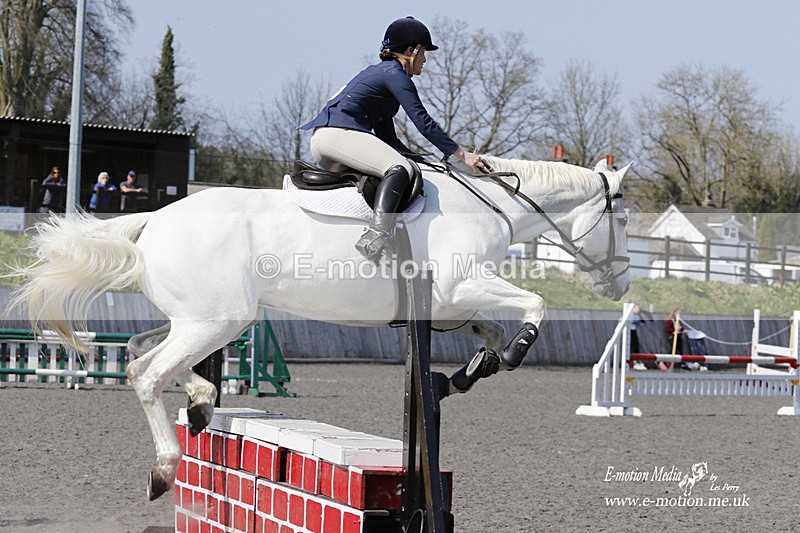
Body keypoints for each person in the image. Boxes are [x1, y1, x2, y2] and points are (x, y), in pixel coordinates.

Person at [300, 16, 486, 263]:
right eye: (423, 53)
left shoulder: (383, 77)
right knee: (399, 168)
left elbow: (388, 139)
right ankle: (377, 234)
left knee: (403, 164)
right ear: (411, 50)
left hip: (333, 137)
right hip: (337, 135)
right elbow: (422, 121)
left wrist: (425, 161)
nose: (425, 60)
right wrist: (461, 154)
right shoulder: (395, 75)